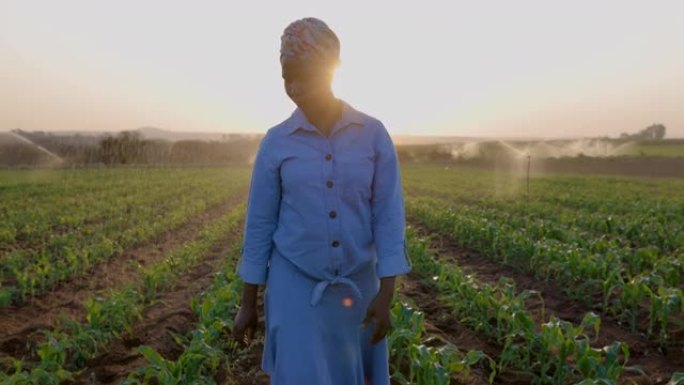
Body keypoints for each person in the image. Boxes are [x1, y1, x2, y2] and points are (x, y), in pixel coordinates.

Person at [232, 17, 411, 385]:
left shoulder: (373, 135)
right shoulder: (277, 142)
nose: (294, 87)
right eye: (286, 77)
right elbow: (260, 225)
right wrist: (248, 303)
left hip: (358, 291)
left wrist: (387, 293)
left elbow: (388, 217)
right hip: (295, 289)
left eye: (304, 75)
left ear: (332, 71)